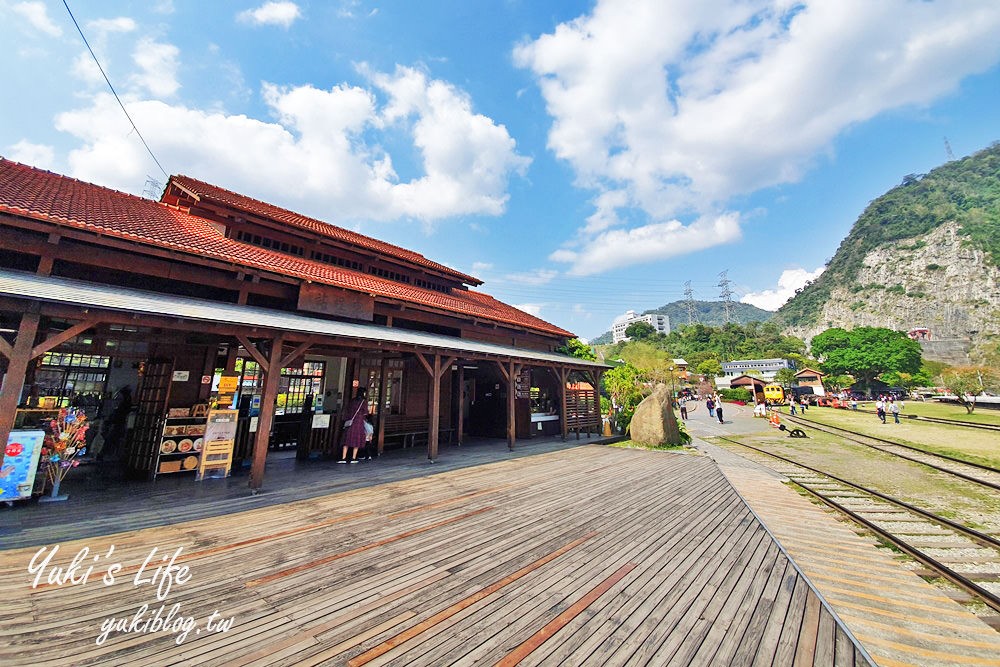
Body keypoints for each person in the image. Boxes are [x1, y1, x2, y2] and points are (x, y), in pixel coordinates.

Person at [338, 389, 368, 463]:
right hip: (358, 422)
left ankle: (343, 458)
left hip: (350, 421)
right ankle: (353, 458)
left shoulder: (352, 401)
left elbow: (347, 410)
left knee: (346, 440)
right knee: (356, 441)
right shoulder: (363, 402)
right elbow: (365, 413)